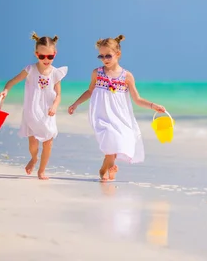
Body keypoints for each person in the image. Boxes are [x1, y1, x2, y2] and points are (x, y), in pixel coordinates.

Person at [67, 35, 166, 182]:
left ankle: (103, 169)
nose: (105, 59)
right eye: (101, 56)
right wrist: (76, 104)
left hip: (120, 117)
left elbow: (137, 99)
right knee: (110, 140)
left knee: (116, 142)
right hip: (101, 115)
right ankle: (108, 169)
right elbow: (90, 91)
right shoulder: (97, 73)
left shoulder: (127, 76)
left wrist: (153, 106)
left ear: (118, 54)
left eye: (108, 55)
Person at [0, 32, 68, 180]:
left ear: (55, 54)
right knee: (33, 145)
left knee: (48, 142)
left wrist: (55, 106)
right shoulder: (30, 70)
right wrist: (5, 90)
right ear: (36, 54)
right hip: (31, 111)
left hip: (48, 112)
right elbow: (11, 82)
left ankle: (41, 171)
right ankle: (34, 158)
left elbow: (58, 95)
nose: (46, 59)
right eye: (42, 56)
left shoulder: (56, 73)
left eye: (50, 56)